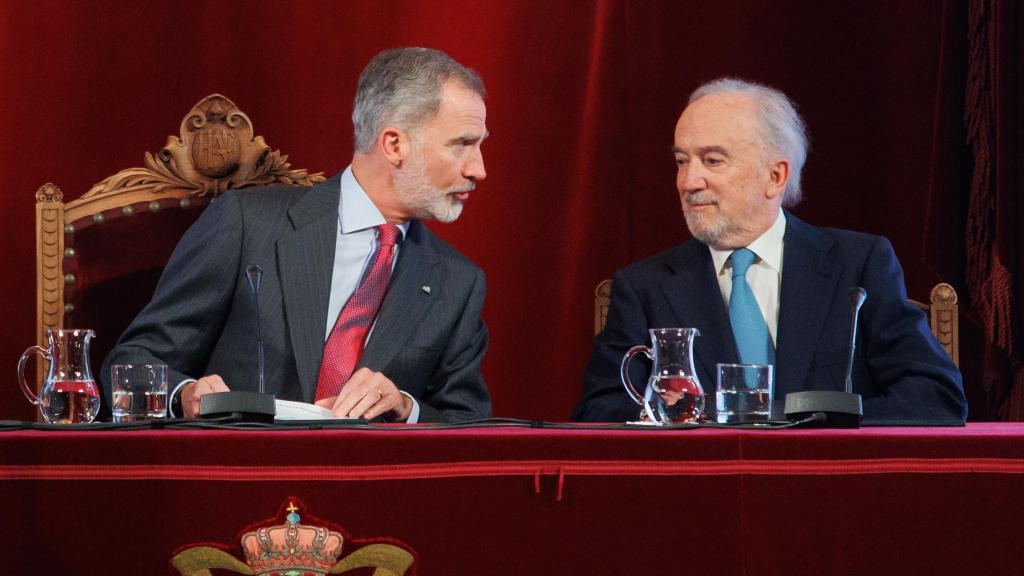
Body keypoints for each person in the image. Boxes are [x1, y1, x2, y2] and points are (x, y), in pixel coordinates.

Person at [102, 47, 492, 422]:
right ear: (394, 145)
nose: (479, 169)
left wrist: (407, 408)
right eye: (463, 144)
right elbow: (131, 363)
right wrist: (185, 395)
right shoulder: (247, 225)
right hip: (240, 477)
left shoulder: (457, 282)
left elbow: (468, 426)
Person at [573, 78, 967, 423]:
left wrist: (819, 420)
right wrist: (682, 416)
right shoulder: (645, 287)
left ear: (775, 176)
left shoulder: (858, 265)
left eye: (712, 160)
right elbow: (600, 410)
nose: (689, 180)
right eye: (681, 161)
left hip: (832, 493)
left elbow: (935, 397)